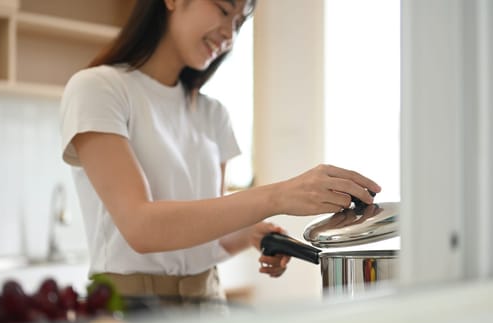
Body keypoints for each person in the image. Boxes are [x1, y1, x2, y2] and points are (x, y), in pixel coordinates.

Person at [60, 0, 381, 305]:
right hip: (130, 307)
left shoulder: (213, 114)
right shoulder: (98, 88)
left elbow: (213, 237)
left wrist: (250, 235)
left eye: (239, 23)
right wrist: (278, 196)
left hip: (208, 301)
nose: (230, 34)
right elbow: (141, 227)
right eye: (224, 9)